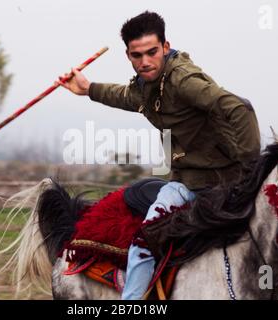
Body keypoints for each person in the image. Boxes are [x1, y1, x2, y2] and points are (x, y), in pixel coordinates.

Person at [56, 11, 260, 299]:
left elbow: (240, 108)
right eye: (137, 55)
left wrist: (251, 172)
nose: (145, 61)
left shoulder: (183, 80)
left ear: (166, 47)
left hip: (223, 184)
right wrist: (88, 88)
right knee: (145, 239)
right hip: (184, 183)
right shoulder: (149, 84)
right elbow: (128, 97)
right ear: (128, 55)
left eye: (152, 52)